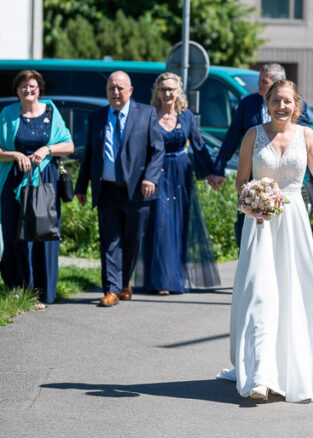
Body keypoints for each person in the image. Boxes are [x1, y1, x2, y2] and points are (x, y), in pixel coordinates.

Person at [217, 79, 313, 402]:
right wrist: (252, 199)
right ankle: (259, 376)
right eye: (276, 101)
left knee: (295, 292)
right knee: (259, 294)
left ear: (297, 105)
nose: (282, 107)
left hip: (293, 221)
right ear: (266, 104)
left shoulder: (307, 136)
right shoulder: (252, 135)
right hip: (261, 224)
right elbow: (241, 181)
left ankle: (292, 367)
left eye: (288, 101)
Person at [75, 70, 164, 307]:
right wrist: (81, 185)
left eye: (120, 88)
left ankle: (125, 281)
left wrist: (150, 178)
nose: (115, 92)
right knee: (110, 241)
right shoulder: (97, 117)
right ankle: (111, 289)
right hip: (107, 190)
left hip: (137, 190)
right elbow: (90, 154)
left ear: (130, 90)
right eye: (111, 88)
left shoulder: (146, 114)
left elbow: (157, 150)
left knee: (132, 240)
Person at [135, 72, 219, 294]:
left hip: (181, 174)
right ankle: (162, 281)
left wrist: (212, 172)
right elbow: (141, 147)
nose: (167, 93)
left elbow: (199, 146)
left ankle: (176, 278)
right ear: (157, 92)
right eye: (163, 89)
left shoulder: (186, 116)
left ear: (178, 91)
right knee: (161, 225)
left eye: (171, 89)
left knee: (178, 225)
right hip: (157, 174)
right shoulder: (150, 115)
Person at [210, 63, 310, 246]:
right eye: (259, 80)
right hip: (254, 181)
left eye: (264, 81)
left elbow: (302, 143)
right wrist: (219, 168)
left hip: (287, 185)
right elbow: (232, 138)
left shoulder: (294, 105)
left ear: (277, 83)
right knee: (248, 236)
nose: (259, 85)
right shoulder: (247, 103)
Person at [0, 70, 74, 308]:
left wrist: (48, 150)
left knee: (42, 233)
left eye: (32, 86)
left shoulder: (51, 111)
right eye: (23, 86)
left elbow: (69, 145)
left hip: (44, 182)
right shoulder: (7, 114)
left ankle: (42, 292)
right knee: (13, 235)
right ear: (17, 90)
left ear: (39, 89)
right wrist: (15, 155)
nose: (28, 90)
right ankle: (17, 288)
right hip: (12, 182)